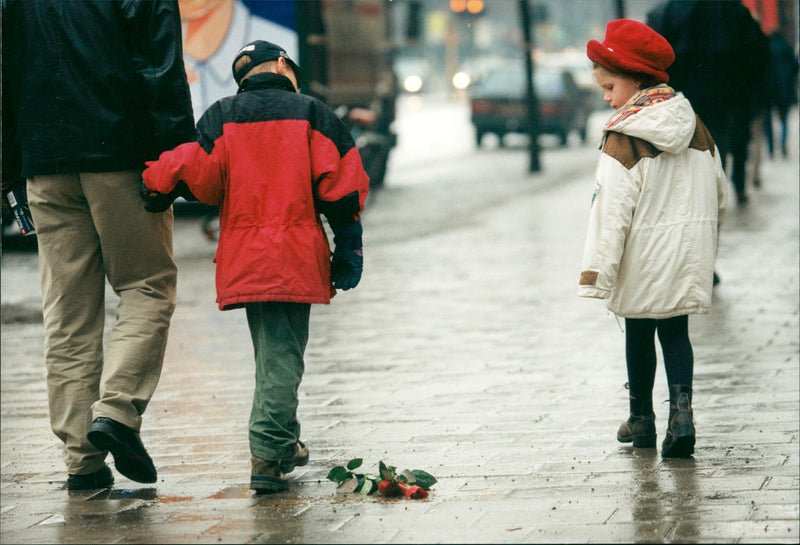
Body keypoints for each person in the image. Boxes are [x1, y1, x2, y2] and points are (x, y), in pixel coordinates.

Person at [142, 40, 370, 492]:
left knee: (272, 350)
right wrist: (350, 244)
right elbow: (341, 185)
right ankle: (267, 453)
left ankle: (286, 442)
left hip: (244, 257)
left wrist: (155, 183)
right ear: (283, 65)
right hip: (293, 254)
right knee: (283, 355)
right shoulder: (312, 113)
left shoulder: (222, 116)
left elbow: (198, 176)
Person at [1, 0, 195, 490]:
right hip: (120, 155)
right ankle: (116, 411)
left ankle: (81, 462)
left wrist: (10, 172)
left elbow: (6, 75)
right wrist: (176, 158)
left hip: (44, 161)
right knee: (147, 285)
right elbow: (159, 70)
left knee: (67, 313)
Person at [578, 20, 729, 458]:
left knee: (639, 332)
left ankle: (642, 418)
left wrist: (597, 275)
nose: (606, 97)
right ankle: (682, 415)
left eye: (609, 87)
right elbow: (719, 192)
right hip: (685, 256)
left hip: (641, 258)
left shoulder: (623, 135)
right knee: (676, 333)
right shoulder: (693, 124)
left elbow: (609, 214)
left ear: (634, 78)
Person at [646, 0, 769, 206]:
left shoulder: (666, 12)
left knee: (684, 160)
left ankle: (696, 205)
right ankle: (718, 199)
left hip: (679, 103)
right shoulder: (734, 11)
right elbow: (758, 55)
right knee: (718, 150)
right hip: (726, 100)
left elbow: (650, 57)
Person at [765, 31, 799, 160]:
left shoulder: (767, 49)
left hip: (770, 91)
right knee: (784, 120)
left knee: (768, 121)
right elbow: (795, 67)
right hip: (785, 90)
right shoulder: (787, 49)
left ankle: (771, 148)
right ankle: (783, 144)